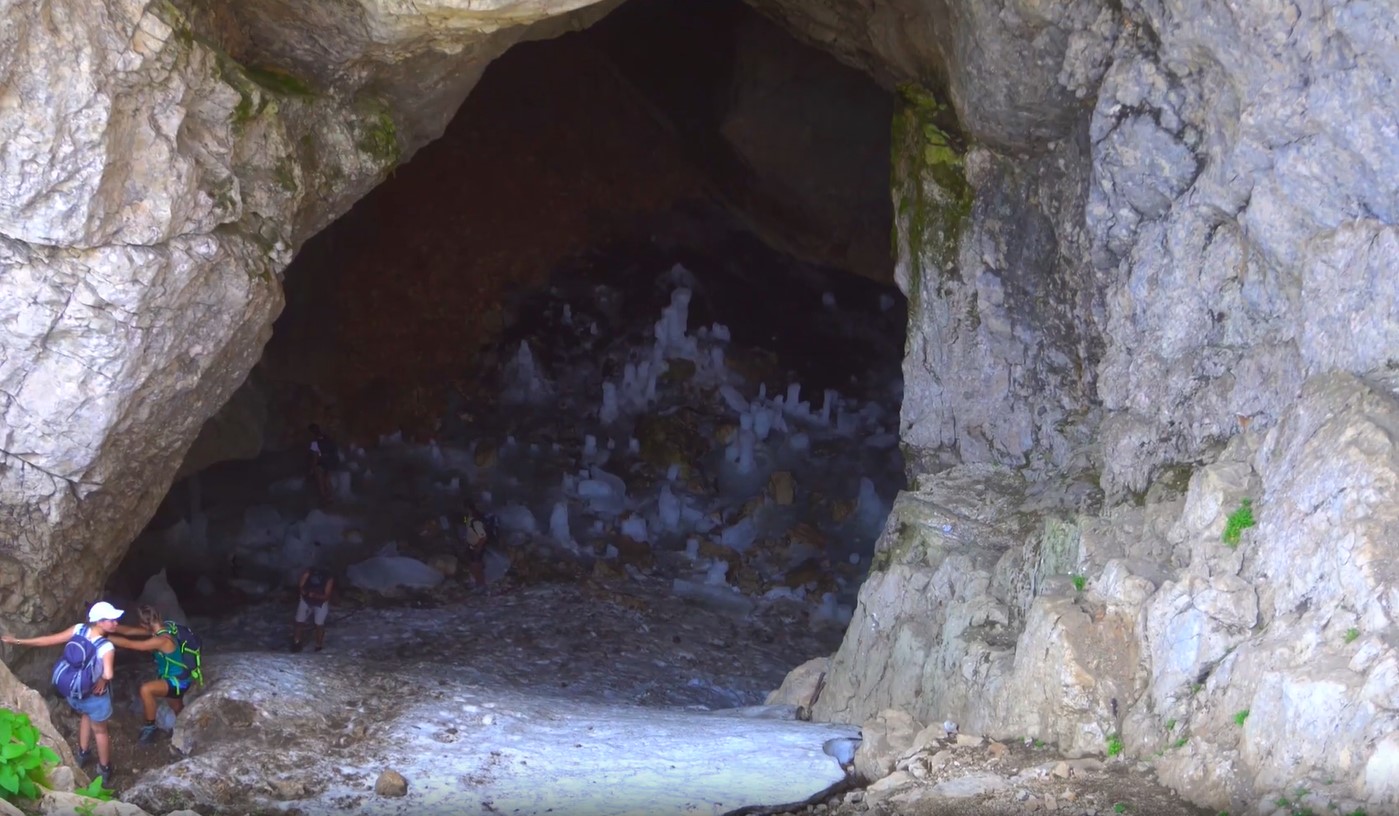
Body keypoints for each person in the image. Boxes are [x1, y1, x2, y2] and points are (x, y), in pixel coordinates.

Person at [1, 602, 123, 787]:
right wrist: (104, 681)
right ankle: (104, 769)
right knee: (100, 730)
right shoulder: (106, 647)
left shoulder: (79, 629)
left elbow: (47, 640)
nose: (116, 623)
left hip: (73, 692)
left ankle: (82, 754)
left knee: (84, 715)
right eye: (111, 620)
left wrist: (18, 641)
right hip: (94, 695)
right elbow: (108, 673)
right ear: (99, 622)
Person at [105, 606, 202, 745]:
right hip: (177, 677)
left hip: (177, 681)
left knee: (146, 689)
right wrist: (106, 627)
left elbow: (130, 643)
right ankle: (188, 730)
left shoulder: (163, 640)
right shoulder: (165, 627)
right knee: (177, 708)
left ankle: (150, 728)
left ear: (144, 624)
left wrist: (103, 636)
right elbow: (129, 631)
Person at [292, 554, 335, 652]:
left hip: (320, 603)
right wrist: (304, 591)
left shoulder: (329, 578)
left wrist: (315, 596)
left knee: (319, 624)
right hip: (306, 600)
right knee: (299, 621)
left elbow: (326, 596)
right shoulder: (309, 572)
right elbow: (301, 584)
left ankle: (318, 645)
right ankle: (296, 642)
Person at [457, 503, 494, 591]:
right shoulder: (467, 519)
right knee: (472, 566)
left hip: (477, 546)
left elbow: (483, 537)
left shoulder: (476, 522)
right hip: (470, 545)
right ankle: (478, 584)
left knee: (477, 565)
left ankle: (482, 585)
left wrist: (478, 547)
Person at [306, 423, 340, 503]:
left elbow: (315, 457)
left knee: (320, 477)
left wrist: (311, 469)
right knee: (327, 480)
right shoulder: (328, 438)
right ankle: (330, 497)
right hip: (333, 461)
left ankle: (324, 497)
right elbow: (334, 450)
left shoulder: (314, 442)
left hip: (326, 462)